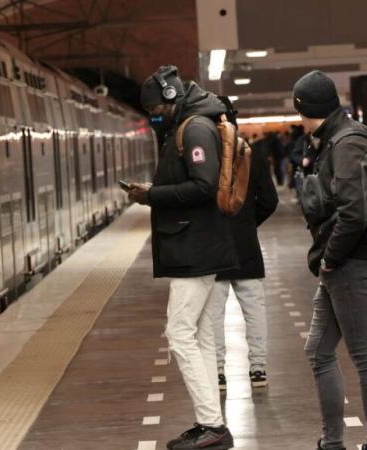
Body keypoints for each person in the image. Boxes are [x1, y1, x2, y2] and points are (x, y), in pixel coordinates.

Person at [130, 65, 237, 450]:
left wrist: (151, 195)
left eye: (157, 108)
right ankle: (210, 423)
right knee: (203, 336)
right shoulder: (188, 125)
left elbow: (204, 185)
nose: (154, 116)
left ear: (172, 98)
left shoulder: (194, 129)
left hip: (197, 248)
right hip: (198, 245)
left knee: (179, 334)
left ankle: (212, 425)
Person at [293, 70, 367, 450]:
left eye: (299, 109)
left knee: (365, 355)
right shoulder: (335, 137)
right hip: (342, 262)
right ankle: (332, 442)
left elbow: (354, 213)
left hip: (353, 262)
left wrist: (331, 259)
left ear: (308, 108)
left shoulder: (346, 143)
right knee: (317, 350)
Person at [210, 101, 278, 391]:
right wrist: (248, 222)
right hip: (246, 244)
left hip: (213, 246)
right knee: (254, 308)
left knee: (213, 313)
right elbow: (270, 201)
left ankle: (218, 373)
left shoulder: (203, 156)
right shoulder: (252, 153)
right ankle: (258, 369)